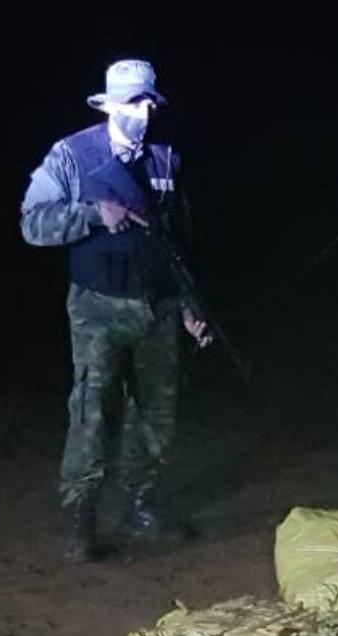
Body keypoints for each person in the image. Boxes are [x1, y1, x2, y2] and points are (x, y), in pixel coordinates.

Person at [19, 58, 211, 563]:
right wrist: (89, 215)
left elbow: (181, 241)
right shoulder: (71, 155)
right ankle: (79, 516)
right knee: (92, 412)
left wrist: (192, 306)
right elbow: (32, 224)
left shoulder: (166, 160)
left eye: (149, 102)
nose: (143, 113)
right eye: (132, 103)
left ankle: (141, 507)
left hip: (159, 308)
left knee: (156, 417)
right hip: (97, 308)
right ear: (108, 105)